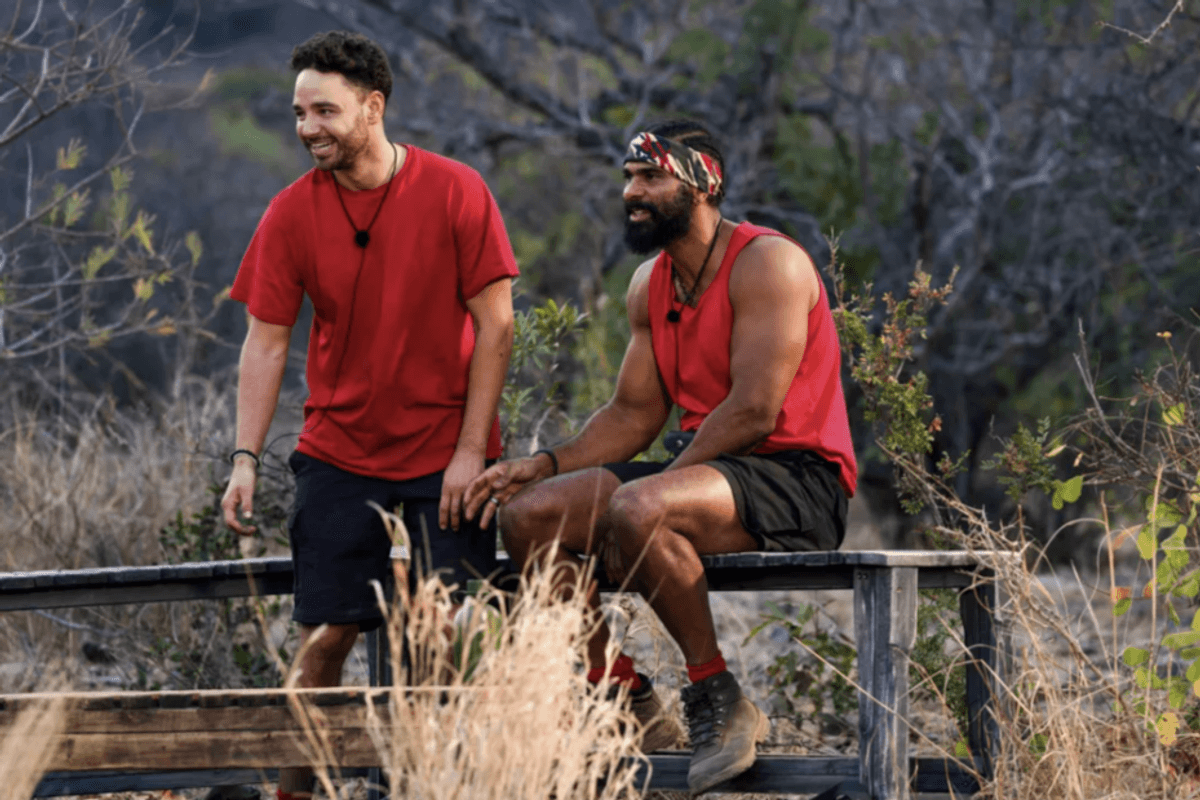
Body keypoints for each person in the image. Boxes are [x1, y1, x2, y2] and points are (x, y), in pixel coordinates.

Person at [464, 120, 857, 793]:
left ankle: (718, 695)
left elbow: (755, 408)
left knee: (639, 507)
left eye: (651, 177)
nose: (633, 192)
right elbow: (634, 414)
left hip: (796, 476)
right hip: (706, 471)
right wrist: (546, 465)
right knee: (529, 518)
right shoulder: (652, 283)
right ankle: (620, 694)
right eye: (628, 178)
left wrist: (642, 503)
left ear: (705, 182)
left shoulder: (769, 262)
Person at [220, 31, 518, 800]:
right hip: (340, 454)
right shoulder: (290, 214)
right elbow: (266, 341)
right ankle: (293, 791)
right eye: (298, 113)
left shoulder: (456, 190)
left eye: (325, 110)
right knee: (326, 637)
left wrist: (469, 452)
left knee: (449, 634)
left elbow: (498, 324)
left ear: (372, 107)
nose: (307, 128)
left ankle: (434, 784)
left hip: (443, 454)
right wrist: (245, 459)